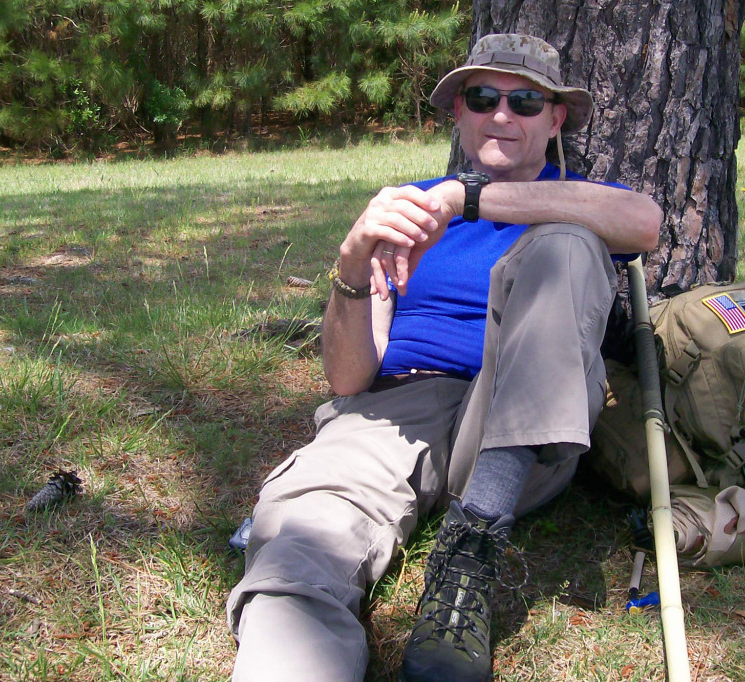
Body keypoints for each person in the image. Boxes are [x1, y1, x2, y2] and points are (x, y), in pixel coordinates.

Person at [226, 33, 662, 682]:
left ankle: (468, 553)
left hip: (517, 422)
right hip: (394, 412)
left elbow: (644, 223)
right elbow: (348, 376)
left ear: (556, 119)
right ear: (459, 111)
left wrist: (469, 197)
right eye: (483, 97)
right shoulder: (410, 206)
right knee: (302, 535)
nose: (502, 115)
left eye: (525, 101)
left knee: (565, 247)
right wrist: (351, 266)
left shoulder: (577, 201)